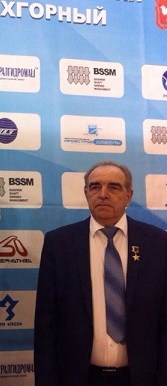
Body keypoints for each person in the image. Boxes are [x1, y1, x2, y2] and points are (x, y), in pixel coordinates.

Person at [34, 160, 167, 386]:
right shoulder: (59, 244)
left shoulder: (158, 243)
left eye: (114, 187)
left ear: (128, 196)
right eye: (95, 187)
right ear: (86, 193)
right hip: (78, 378)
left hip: (142, 378)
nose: (103, 194)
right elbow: (46, 326)